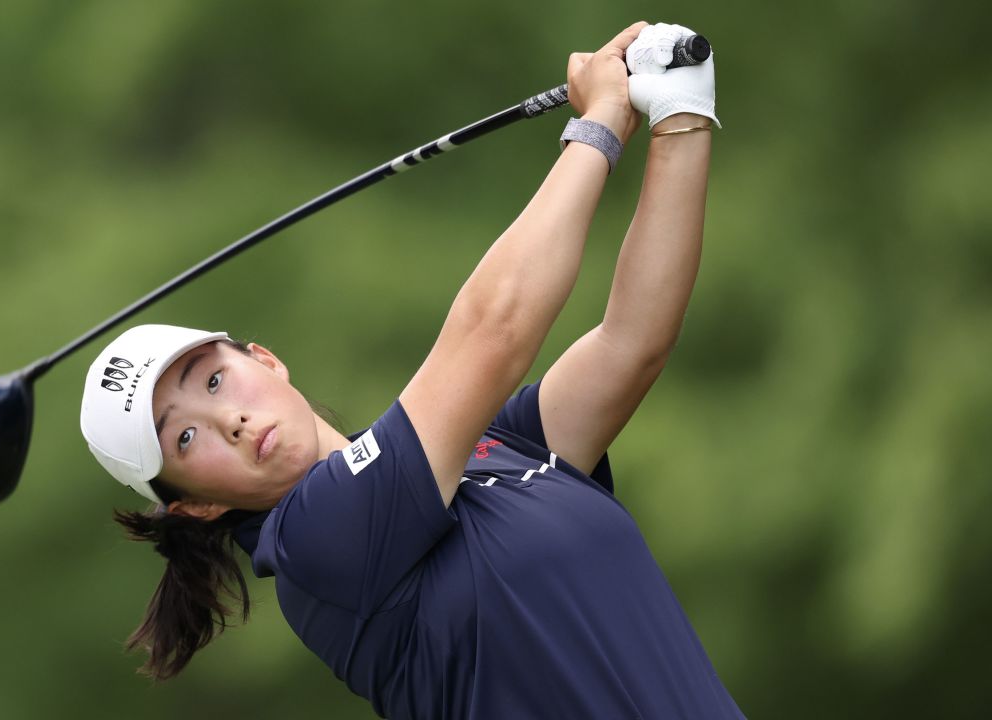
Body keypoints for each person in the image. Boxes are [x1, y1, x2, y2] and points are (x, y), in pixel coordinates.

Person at [79, 21, 744, 719]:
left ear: (264, 360)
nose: (231, 421)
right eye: (184, 440)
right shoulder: (316, 545)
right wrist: (602, 122)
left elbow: (630, 343)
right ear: (197, 507)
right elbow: (492, 332)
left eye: (213, 380)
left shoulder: (491, 453)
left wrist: (679, 117)